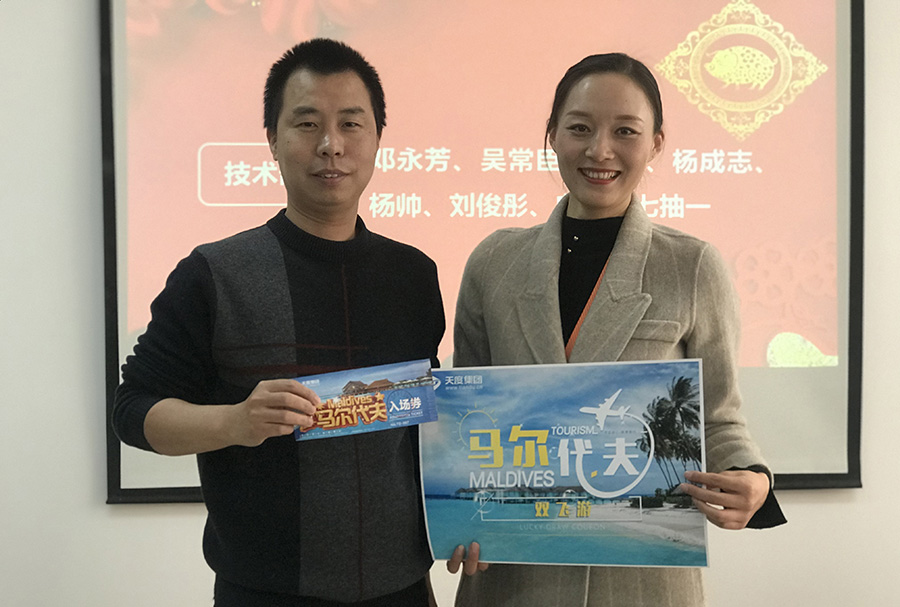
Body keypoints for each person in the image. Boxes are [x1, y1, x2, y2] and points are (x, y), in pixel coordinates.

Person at [112, 38, 444, 607]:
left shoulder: (412, 274)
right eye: (307, 123)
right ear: (272, 139)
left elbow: (426, 422)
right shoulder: (214, 274)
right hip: (265, 590)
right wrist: (235, 421)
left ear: (377, 139)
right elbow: (133, 411)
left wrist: (473, 515)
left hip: (403, 587)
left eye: (351, 124)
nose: (331, 145)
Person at [446, 52, 785, 607]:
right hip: (514, 574)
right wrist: (454, 514)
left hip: (641, 576)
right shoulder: (495, 263)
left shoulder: (692, 266)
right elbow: (468, 419)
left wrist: (753, 478)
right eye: (580, 128)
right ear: (552, 135)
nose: (600, 150)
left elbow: (718, 417)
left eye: (625, 131)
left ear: (656, 143)